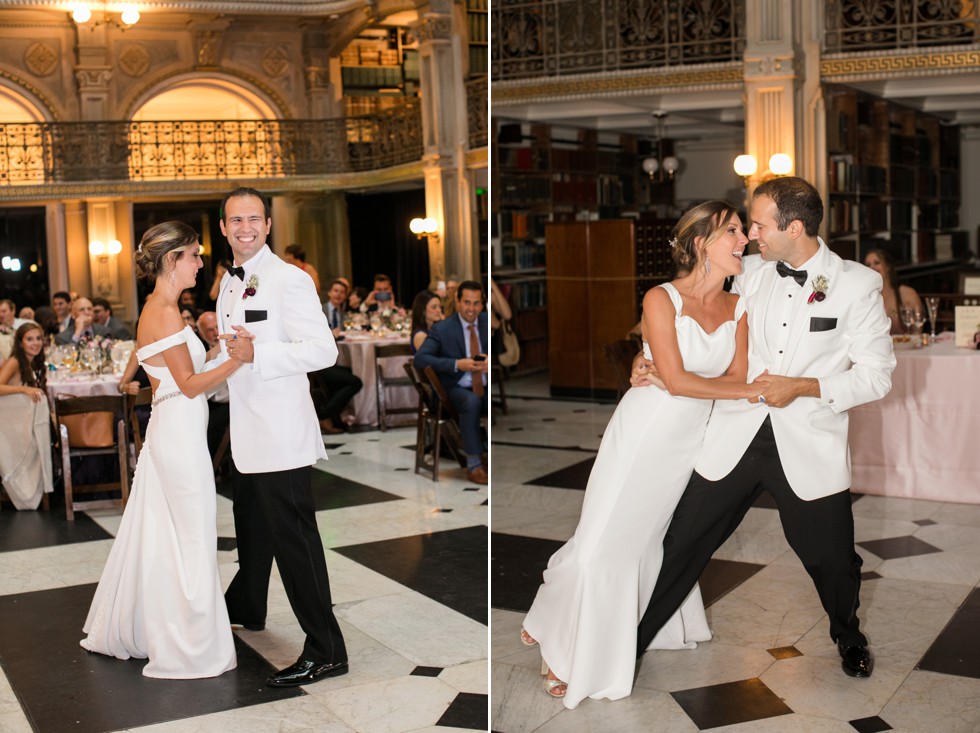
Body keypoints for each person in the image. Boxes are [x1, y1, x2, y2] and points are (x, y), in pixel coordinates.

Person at [633, 177, 895, 681]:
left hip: (808, 440)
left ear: (794, 227)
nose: (749, 234)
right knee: (683, 542)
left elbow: (876, 376)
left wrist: (801, 387)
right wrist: (643, 357)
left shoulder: (858, 284)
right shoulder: (748, 271)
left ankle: (849, 636)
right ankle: (635, 641)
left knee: (832, 560)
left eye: (758, 224)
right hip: (734, 436)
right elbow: (684, 307)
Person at [520, 202, 760, 707]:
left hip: (689, 440)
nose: (744, 240)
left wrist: (729, 386)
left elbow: (733, 376)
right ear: (700, 243)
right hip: (644, 433)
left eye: (743, 231)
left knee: (645, 541)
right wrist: (755, 390)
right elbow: (674, 379)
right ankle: (562, 646)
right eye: (733, 232)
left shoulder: (740, 306)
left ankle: (552, 616)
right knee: (603, 538)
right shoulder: (660, 298)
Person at [80, 220, 242, 679]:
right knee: (190, 536)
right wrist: (234, 361)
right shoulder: (165, 312)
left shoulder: (161, 307)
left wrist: (216, 353)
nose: (199, 262)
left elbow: (180, 375)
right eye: (193, 254)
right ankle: (188, 644)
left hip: (177, 428)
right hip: (179, 432)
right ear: (172, 260)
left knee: (178, 534)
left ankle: (178, 629)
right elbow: (188, 387)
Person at [215, 186, 349, 687]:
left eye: (254, 218)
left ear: (268, 225)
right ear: (224, 228)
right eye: (235, 220)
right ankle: (247, 604)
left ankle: (327, 649)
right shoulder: (229, 283)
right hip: (246, 432)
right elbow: (236, 349)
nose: (245, 227)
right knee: (251, 529)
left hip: (281, 435)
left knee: (296, 544)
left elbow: (323, 351)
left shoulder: (290, 279)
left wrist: (260, 357)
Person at [413, 280, 490, 485]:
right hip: (455, 387)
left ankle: (490, 456)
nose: (471, 309)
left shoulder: (486, 321)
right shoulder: (443, 328)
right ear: (457, 301)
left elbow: (501, 350)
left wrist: (490, 360)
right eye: (467, 302)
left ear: (482, 304)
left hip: (484, 384)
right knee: (471, 402)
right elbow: (420, 358)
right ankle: (474, 466)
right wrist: (458, 364)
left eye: (476, 303)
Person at [863, 248, 923, 335]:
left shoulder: (907, 294)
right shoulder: (864, 297)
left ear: (887, 267)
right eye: (868, 265)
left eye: (877, 263)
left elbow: (918, 330)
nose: (872, 267)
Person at [409, 289, 443, 354]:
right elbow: (431, 360)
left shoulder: (432, 330)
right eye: (434, 307)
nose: (439, 310)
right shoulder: (420, 335)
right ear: (423, 310)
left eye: (439, 307)